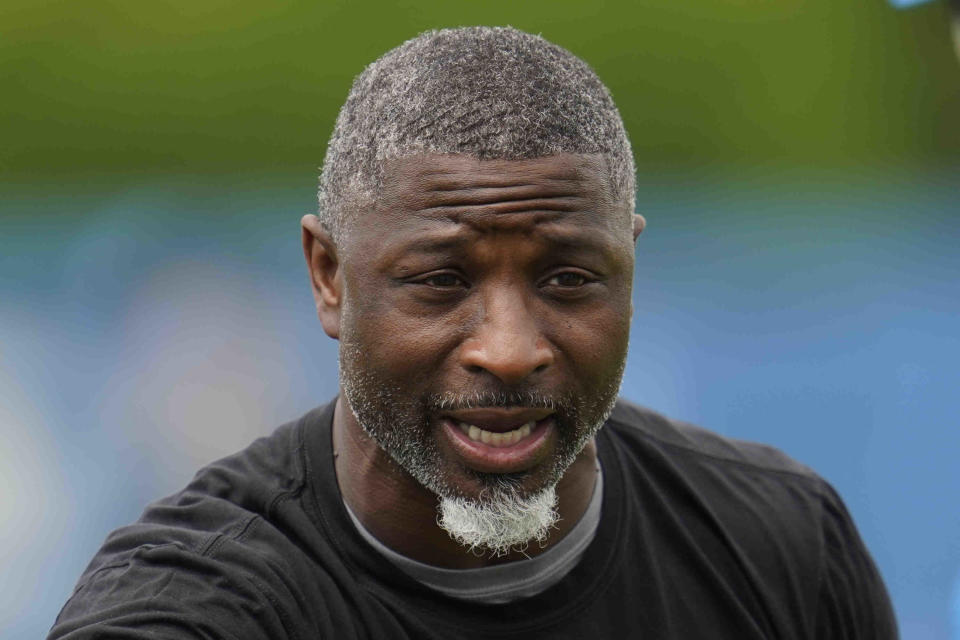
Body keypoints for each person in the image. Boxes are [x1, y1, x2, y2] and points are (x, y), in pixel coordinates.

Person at [48, 26, 898, 639]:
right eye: (440, 281)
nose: (509, 347)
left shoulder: (784, 546)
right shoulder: (190, 610)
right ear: (330, 277)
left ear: (629, 266)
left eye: (568, 277)